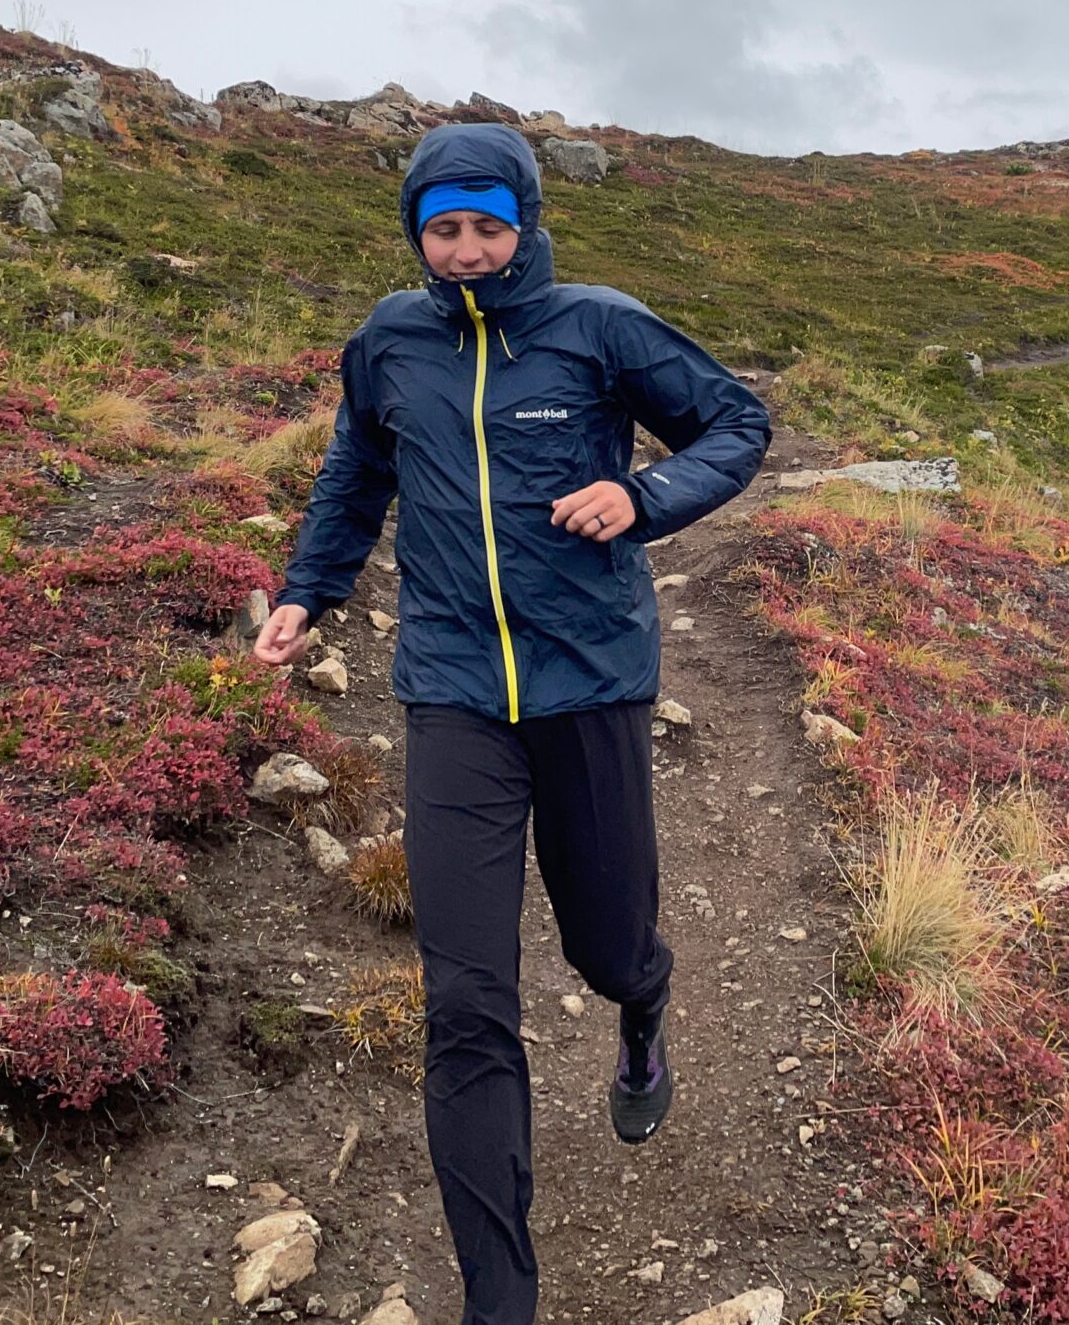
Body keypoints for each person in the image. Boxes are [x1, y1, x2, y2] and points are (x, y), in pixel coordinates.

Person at [253, 122, 772, 1325]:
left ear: (527, 224)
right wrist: (305, 589)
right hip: (450, 692)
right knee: (466, 1000)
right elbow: (353, 474)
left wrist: (640, 495)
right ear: (416, 233)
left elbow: (736, 424)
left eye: (491, 226)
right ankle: (503, 1297)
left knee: (606, 947)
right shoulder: (389, 340)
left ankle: (643, 1010)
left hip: (588, 678)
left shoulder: (596, 325)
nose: (470, 250)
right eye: (446, 228)